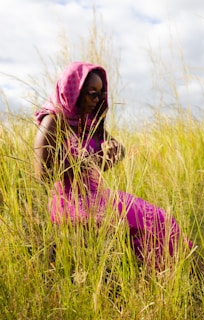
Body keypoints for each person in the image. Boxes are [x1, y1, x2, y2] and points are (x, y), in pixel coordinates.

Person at [34, 61, 192, 270]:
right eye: (92, 93)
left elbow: (115, 149)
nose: (97, 99)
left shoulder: (87, 122)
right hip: (70, 201)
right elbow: (41, 175)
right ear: (74, 89)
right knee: (147, 222)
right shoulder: (54, 121)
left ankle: (177, 271)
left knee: (162, 219)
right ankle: (168, 272)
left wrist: (114, 154)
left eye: (101, 94)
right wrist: (86, 163)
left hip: (98, 196)